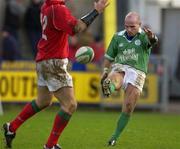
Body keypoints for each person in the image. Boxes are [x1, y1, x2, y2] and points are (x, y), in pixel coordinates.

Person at [2, 0, 109, 149]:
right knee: (70, 104)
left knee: (43, 100)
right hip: (53, 62)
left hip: (43, 59)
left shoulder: (47, 6)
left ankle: (11, 127)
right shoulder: (57, 9)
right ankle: (50, 145)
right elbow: (77, 28)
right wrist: (96, 11)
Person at [100, 12, 158, 146]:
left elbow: (153, 41)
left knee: (129, 106)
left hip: (138, 72)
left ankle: (114, 137)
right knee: (116, 76)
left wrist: (152, 37)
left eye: (132, 26)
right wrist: (104, 71)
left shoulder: (144, 36)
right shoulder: (117, 37)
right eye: (127, 26)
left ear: (139, 25)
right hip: (121, 67)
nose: (129, 29)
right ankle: (110, 87)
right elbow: (109, 58)